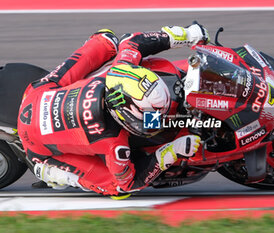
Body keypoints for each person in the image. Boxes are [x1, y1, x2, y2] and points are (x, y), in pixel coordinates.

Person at [17, 23, 210, 196]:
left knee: (107, 39)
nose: (163, 114)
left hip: (38, 93)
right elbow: (129, 183)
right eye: (152, 114)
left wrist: (182, 35)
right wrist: (171, 151)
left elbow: (133, 42)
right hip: (37, 146)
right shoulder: (114, 145)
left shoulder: (121, 70)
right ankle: (54, 173)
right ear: (127, 117)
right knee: (115, 188)